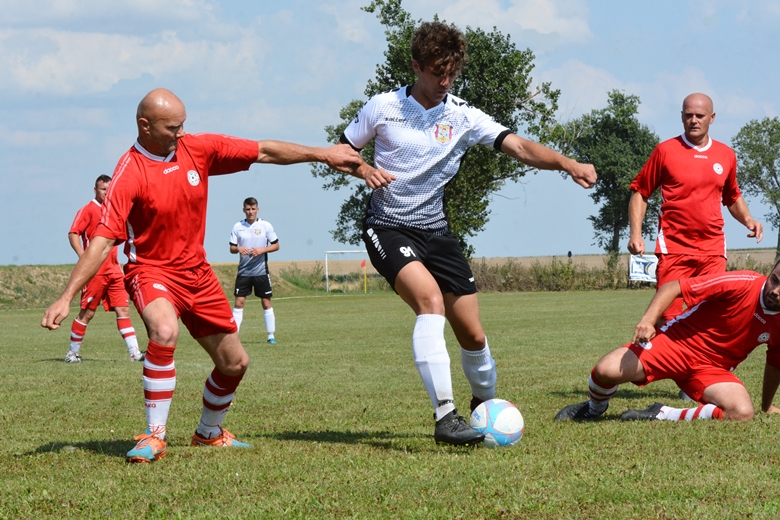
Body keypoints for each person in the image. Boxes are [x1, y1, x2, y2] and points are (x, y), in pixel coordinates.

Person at [42, 88, 361, 463]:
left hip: (197, 273)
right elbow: (100, 243)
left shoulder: (198, 148)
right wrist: (66, 295)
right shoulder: (129, 172)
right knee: (164, 331)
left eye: (183, 125)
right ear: (144, 126)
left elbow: (263, 151)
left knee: (235, 363)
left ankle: (209, 433)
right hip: (151, 271)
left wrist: (323, 154)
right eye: (171, 127)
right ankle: (154, 435)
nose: (180, 133)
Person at [338, 22, 597, 446]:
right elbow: (343, 150)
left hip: (436, 233)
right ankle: (445, 418)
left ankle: (484, 413)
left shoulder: (462, 114)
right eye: (437, 72)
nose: (445, 81)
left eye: (452, 73)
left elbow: (518, 146)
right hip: (386, 225)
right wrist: (363, 167)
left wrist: (566, 163)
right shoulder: (381, 107)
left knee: (473, 335)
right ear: (416, 65)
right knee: (430, 302)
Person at [555, 263, 780, 422]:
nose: (776, 291)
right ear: (770, 272)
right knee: (606, 370)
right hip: (674, 344)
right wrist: (648, 321)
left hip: (712, 369)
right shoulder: (741, 283)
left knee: (741, 412)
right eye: (775, 280)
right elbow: (673, 287)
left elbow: (774, 365)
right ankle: (594, 409)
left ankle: (662, 413)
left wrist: (767, 406)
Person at [628, 93, 763, 325]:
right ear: (681, 117)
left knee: (710, 316)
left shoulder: (726, 155)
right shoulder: (665, 151)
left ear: (712, 118)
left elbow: (732, 196)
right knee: (667, 317)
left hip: (712, 250)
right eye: (688, 115)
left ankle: (701, 361)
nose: (694, 120)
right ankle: (665, 359)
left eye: (699, 116)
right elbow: (640, 192)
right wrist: (635, 234)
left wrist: (748, 219)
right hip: (674, 248)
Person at [65, 175, 144, 363]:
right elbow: (73, 233)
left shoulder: (115, 211)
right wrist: (83, 256)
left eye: (109, 190)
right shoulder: (88, 210)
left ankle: (135, 353)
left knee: (123, 310)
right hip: (95, 271)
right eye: (103, 190)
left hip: (115, 270)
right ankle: (72, 353)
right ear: (95, 190)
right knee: (88, 313)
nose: (107, 193)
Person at [230, 197, 279, 344]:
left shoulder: (265, 226)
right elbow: (232, 248)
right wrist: (238, 248)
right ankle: (234, 337)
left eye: (253, 209)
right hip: (244, 272)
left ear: (257, 209)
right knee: (239, 303)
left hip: (261, 272)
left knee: (266, 302)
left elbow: (276, 245)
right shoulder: (238, 226)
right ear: (244, 210)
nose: (250, 212)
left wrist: (262, 250)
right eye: (248, 209)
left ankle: (271, 336)